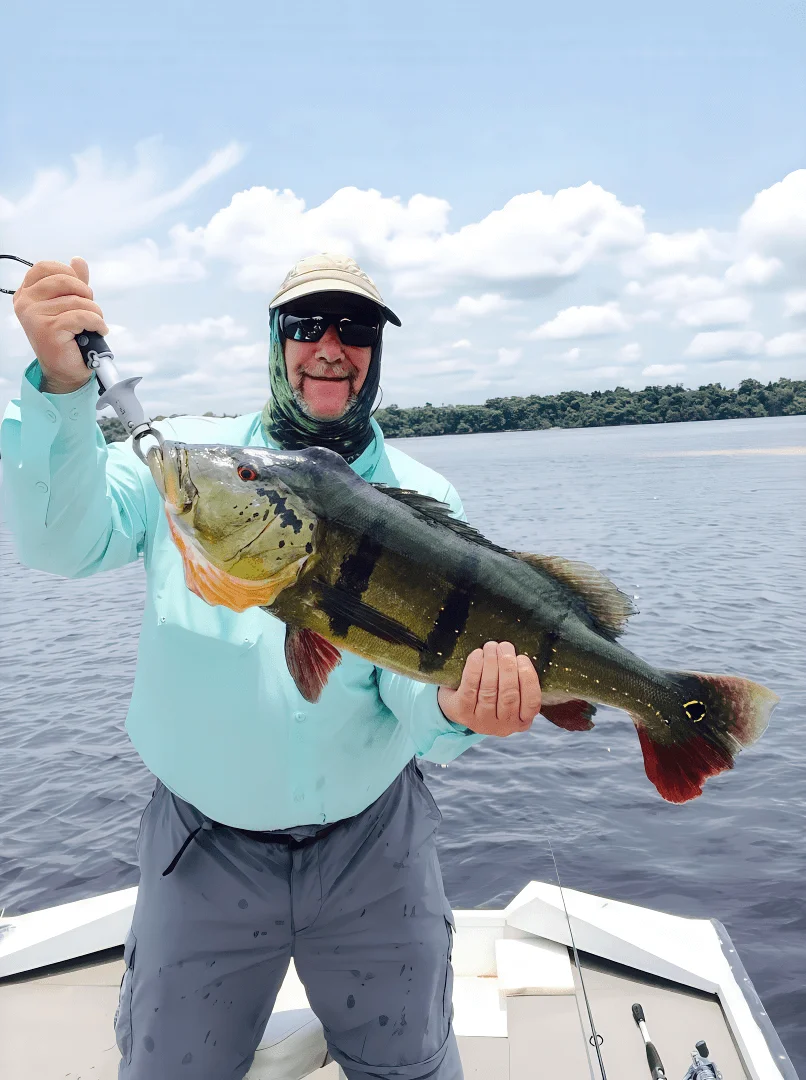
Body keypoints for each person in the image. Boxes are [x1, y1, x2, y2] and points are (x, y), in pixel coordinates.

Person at [1, 252, 542, 1080]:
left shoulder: (423, 500)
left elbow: (408, 681)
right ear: (275, 340)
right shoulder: (194, 466)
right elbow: (60, 540)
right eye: (306, 325)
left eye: (355, 328)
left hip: (376, 851)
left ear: (376, 351)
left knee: (412, 1069)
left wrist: (457, 710)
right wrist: (61, 391)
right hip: (201, 853)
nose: (330, 346)